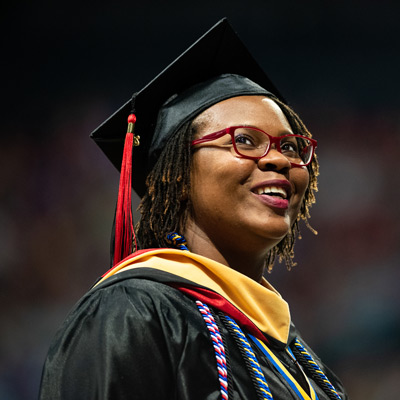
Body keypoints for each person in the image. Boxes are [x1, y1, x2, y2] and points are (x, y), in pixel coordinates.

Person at [39, 18, 348, 400]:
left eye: (290, 147)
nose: (280, 160)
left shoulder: (300, 363)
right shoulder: (133, 314)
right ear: (177, 174)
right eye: (246, 141)